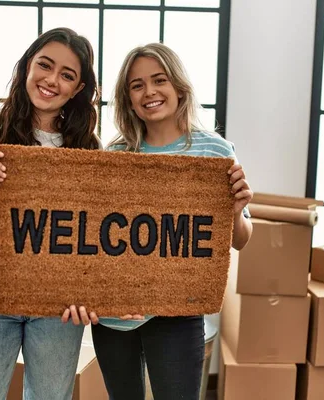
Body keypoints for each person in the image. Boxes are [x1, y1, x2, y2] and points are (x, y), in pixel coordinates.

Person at [89, 43, 254, 400]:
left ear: (179, 87)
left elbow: (239, 240)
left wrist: (236, 209)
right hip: (115, 315)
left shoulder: (216, 151)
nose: (149, 92)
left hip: (179, 313)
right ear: (128, 98)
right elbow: (98, 236)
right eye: (137, 85)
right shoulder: (116, 155)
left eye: (159, 80)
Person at [0, 27, 101, 400]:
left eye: (67, 75)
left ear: (78, 89)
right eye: (44, 66)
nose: (51, 81)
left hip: (58, 291)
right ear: (26, 67)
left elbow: (89, 231)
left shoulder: (84, 145)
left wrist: (89, 290)